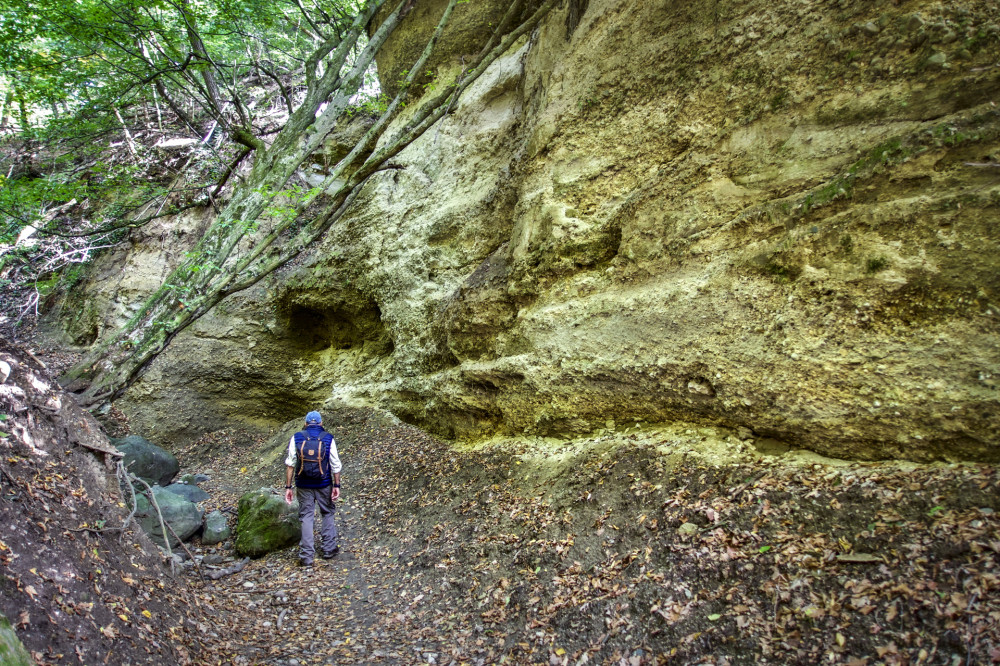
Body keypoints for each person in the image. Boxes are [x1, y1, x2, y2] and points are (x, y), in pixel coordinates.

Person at [284, 411, 342, 565]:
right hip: (324, 484)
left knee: (306, 517)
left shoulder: (296, 437)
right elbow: (335, 464)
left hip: (303, 485)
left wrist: (288, 487)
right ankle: (329, 549)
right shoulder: (328, 438)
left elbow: (290, 464)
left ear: (306, 423)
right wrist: (336, 485)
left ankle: (307, 557)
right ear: (321, 423)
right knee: (327, 512)